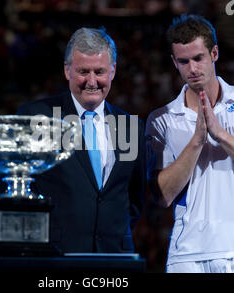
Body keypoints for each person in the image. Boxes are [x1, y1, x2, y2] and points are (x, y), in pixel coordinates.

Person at [146, 15, 234, 273]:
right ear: (174, 62)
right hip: (187, 256)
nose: (193, 69)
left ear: (214, 53)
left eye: (198, 58)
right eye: (184, 61)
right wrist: (198, 140)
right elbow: (162, 195)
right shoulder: (161, 120)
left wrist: (220, 134)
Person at [15, 27, 146, 253]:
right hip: (56, 257)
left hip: (115, 256)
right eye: (83, 71)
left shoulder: (131, 126)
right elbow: (21, 189)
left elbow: (134, 197)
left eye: (100, 71)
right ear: (68, 71)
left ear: (113, 71)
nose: (92, 81)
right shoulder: (40, 118)